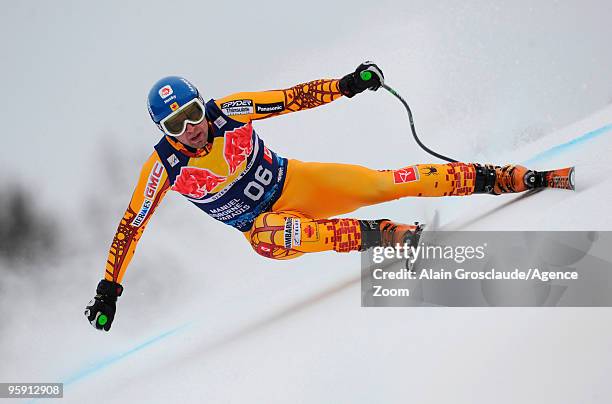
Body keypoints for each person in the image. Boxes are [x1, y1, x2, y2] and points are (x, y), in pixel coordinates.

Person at [85, 62, 540, 331]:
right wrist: (110, 289)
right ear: (163, 132)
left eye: (193, 114)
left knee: (382, 184)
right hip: (265, 231)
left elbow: (291, 98)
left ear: (204, 104)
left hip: (298, 183)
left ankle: (490, 178)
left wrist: (346, 85)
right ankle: (382, 237)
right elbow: (131, 226)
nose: (192, 130)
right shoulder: (163, 167)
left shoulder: (230, 110)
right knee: (281, 229)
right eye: (175, 126)